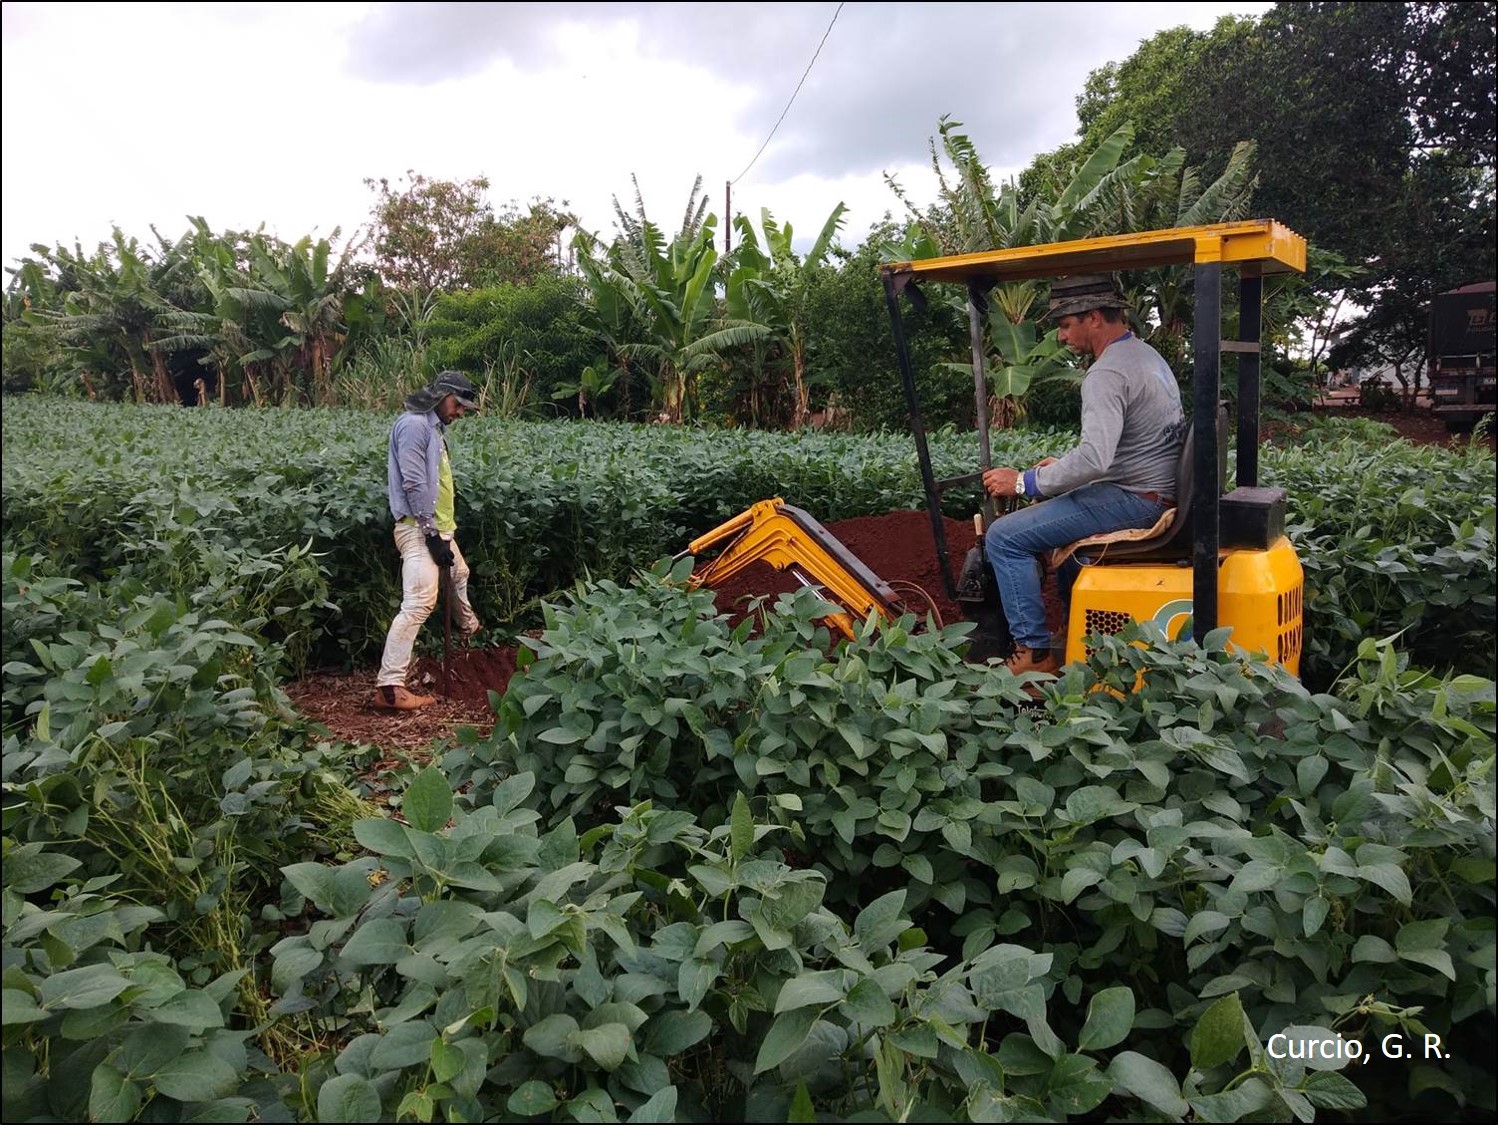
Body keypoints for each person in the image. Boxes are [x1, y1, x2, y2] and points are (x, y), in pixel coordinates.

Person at [981, 275, 1184, 676]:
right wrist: (1058, 471)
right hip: (1153, 489)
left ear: (1093, 318)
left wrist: (1024, 482)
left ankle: (1033, 655)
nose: (1060, 336)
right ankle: (1073, 630)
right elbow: (1120, 449)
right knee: (1057, 527)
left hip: (1137, 500)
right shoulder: (1146, 357)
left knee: (1004, 538)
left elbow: (1094, 458)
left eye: (1065, 325)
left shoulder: (1106, 373)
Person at [373, 370, 485, 710]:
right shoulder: (414, 426)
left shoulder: (433, 428)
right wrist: (432, 534)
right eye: (458, 404)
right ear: (441, 395)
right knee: (420, 601)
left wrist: (442, 533)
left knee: (458, 574)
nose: (460, 412)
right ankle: (389, 686)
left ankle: (468, 628)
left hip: (438, 528)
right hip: (419, 528)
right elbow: (414, 483)